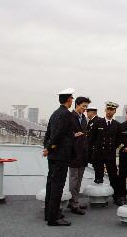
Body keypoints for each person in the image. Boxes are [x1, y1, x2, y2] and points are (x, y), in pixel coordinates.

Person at [43, 88, 76, 226]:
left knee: (51, 184)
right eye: (72, 98)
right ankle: (54, 218)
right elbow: (58, 134)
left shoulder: (55, 113)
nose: (72, 101)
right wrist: (50, 147)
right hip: (61, 155)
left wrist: (47, 147)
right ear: (69, 99)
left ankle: (49, 213)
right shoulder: (67, 114)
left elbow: (48, 133)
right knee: (57, 185)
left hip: (53, 155)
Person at [88, 101, 122, 205]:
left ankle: (117, 198)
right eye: (108, 109)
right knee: (98, 177)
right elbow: (91, 139)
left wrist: (111, 148)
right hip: (98, 154)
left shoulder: (117, 125)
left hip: (110, 155)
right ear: (105, 110)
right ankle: (99, 198)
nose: (109, 111)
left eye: (112, 110)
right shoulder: (98, 122)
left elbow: (118, 140)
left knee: (113, 176)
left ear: (115, 111)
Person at [67, 96, 91, 215]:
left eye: (86, 107)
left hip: (82, 153)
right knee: (74, 179)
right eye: (83, 106)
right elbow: (65, 133)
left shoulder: (84, 118)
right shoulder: (70, 117)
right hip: (73, 153)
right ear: (77, 104)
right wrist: (73, 135)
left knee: (79, 179)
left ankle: (75, 200)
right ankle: (73, 203)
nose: (85, 108)